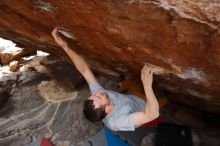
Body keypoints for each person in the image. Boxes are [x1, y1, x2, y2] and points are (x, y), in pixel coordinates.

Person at [52, 27, 160, 145]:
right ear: (108, 110)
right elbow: (152, 114)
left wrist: (65, 47)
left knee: (134, 88)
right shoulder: (118, 121)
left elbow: (84, 70)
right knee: (160, 101)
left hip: (132, 99)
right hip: (146, 108)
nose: (97, 93)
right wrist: (147, 85)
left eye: (94, 96)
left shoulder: (98, 98)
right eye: (99, 97)